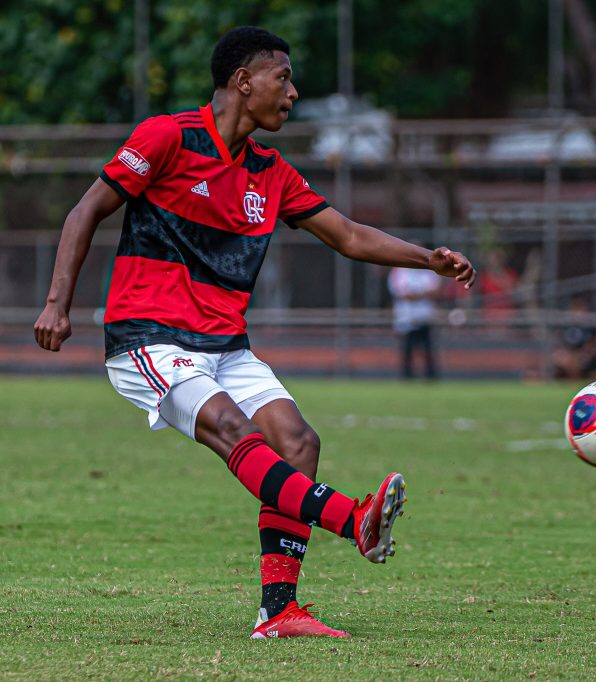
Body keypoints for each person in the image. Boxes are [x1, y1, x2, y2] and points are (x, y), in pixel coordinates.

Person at [33, 27, 477, 639]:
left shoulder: (271, 171)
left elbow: (346, 235)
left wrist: (427, 258)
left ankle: (279, 612)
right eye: (283, 78)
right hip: (149, 337)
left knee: (298, 442)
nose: (292, 93)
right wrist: (58, 302)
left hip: (224, 346)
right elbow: (85, 210)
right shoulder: (167, 136)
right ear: (244, 81)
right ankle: (354, 520)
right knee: (233, 430)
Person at [387, 261, 443, 379]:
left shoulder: (430, 271)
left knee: (428, 351)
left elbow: (436, 291)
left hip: (425, 317)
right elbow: (403, 294)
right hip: (406, 318)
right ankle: (408, 378)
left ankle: (430, 378)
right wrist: (423, 294)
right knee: (407, 351)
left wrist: (415, 295)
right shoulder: (399, 271)